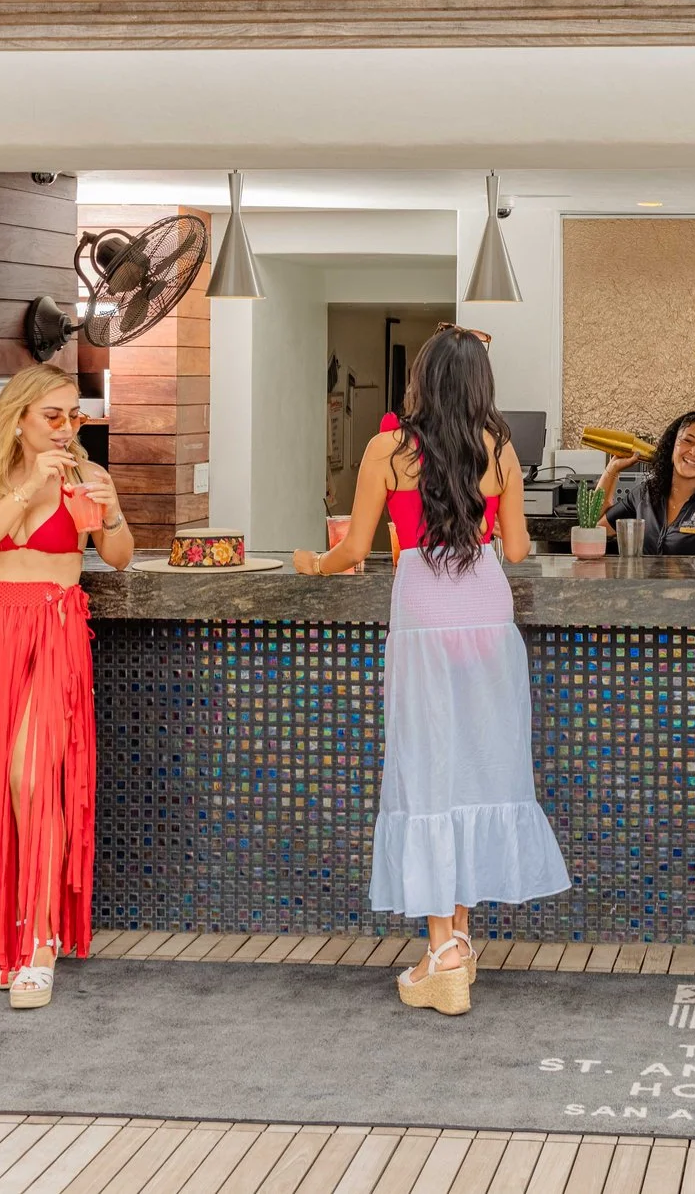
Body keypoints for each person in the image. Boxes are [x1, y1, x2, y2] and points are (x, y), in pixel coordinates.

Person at [295, 325, 570, 1015]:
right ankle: (459, 939)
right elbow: (515, 544)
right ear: (481, 385)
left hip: (423, 611)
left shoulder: (388, 448)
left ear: (421, 380)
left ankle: (444, 946)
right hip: (484, 607)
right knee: (480, 764)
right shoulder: (499, 449)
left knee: (428, 771)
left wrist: (311, 564)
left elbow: (355, 546)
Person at [0, 363, 135, 1010]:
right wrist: (26, 494)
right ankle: (6, 933)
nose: (65, 427)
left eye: (73, 415)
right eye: (53, 415)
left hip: (55, 626)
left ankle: (42, 941)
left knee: (32, 776)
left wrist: (107, 516)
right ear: (19, 417)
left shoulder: (88, 475)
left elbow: (120, 555)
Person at [595, 410, 695, 557]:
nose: (694, 452)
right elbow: (597, 528)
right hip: (644, 589)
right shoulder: (645, 494)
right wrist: (612, 470)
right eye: (687, 441)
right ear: (672, 445)